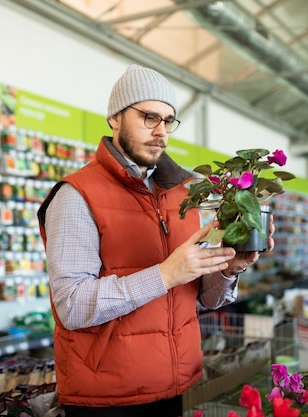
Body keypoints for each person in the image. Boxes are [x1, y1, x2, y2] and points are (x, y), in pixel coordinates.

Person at [37, 64, 275, 417]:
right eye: (149, 117)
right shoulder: (76, 195)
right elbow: (71, 305)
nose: (161, 131)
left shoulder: (183, 194)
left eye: (168, 120)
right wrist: (164, 275)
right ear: (115, 117)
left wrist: (230, 268)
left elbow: (203, 299)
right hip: (107, 399)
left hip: (177, 386)